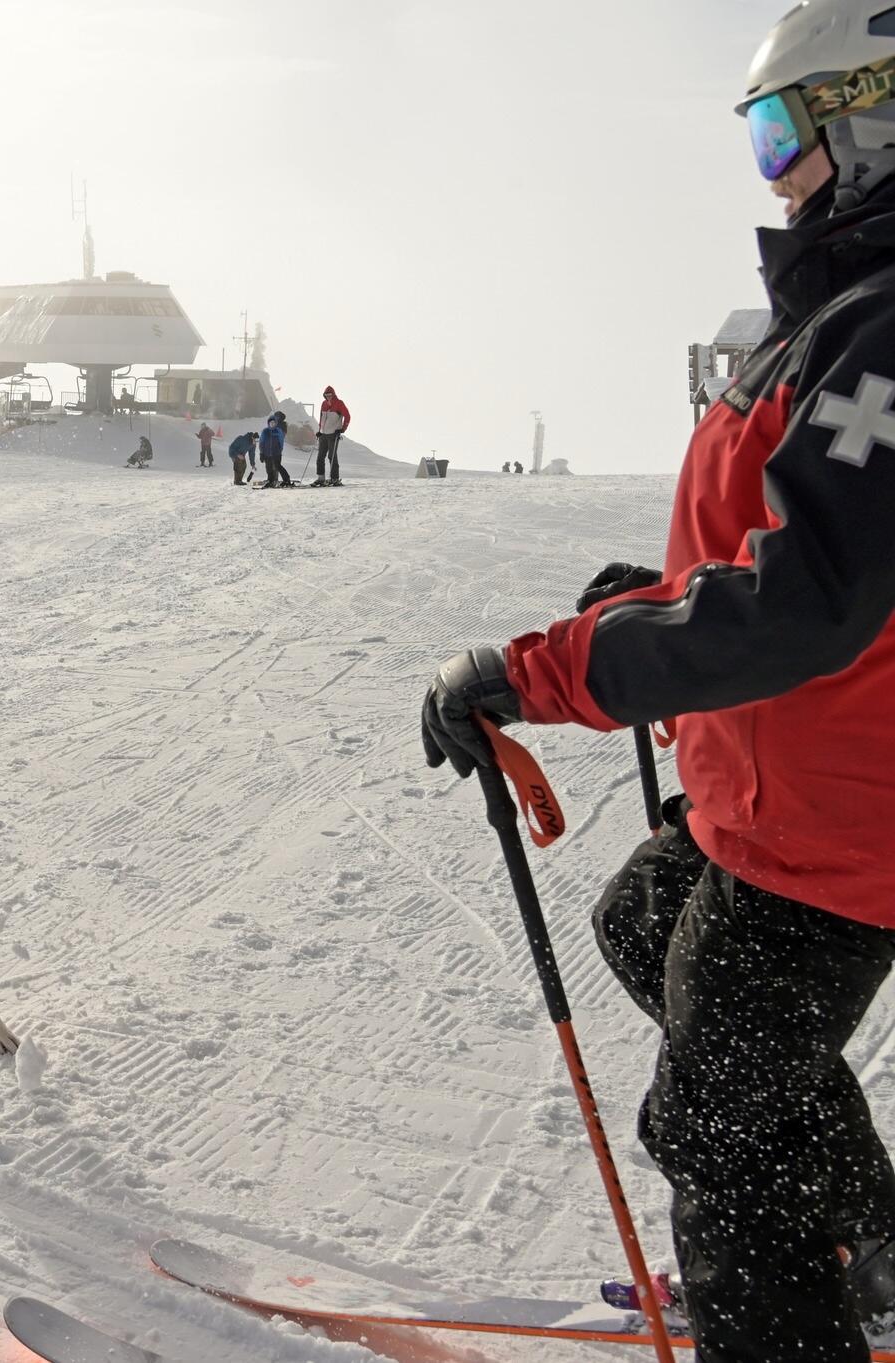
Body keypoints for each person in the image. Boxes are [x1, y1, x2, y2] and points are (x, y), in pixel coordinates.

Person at [419, 4, 895, 1356]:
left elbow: (807, 600)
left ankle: (800, 1289)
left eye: (773, 132)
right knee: (648, 918)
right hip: (787, 800)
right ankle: (869, 1241)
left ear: (866, 114)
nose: (767, 167)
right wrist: (662, 582)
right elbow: (795, 544)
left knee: (715, 1126)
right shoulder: (843, 312)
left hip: (842, 831)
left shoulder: (885, 326)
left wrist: (545, 671)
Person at [315, 386, 351, 486]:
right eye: (326, 395)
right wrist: (319, 431)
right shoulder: (323, 404)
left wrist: (342, 429)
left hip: (333, 434)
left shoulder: (339, 403)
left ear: (333, 394)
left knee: (332, 456)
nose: (328, 397)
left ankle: (334, 478)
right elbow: (322, 418)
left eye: (330, 395)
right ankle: (321, 478)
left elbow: (347, 416)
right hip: (323, 434)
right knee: (320, 457)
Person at [258, 412, 291, 488]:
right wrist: (261, 453)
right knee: (268, 467)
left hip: (276, 453)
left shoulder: (278, 431)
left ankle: (286, 479)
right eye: (271, 423)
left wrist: (279, 450)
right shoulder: (265, 431)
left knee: (277, 466)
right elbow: (261, 443)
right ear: (268, 423)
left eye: (274, 423)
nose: (272, 424)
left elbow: (281, 441)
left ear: (276, 423)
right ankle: (271, 480)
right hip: (267, 453)